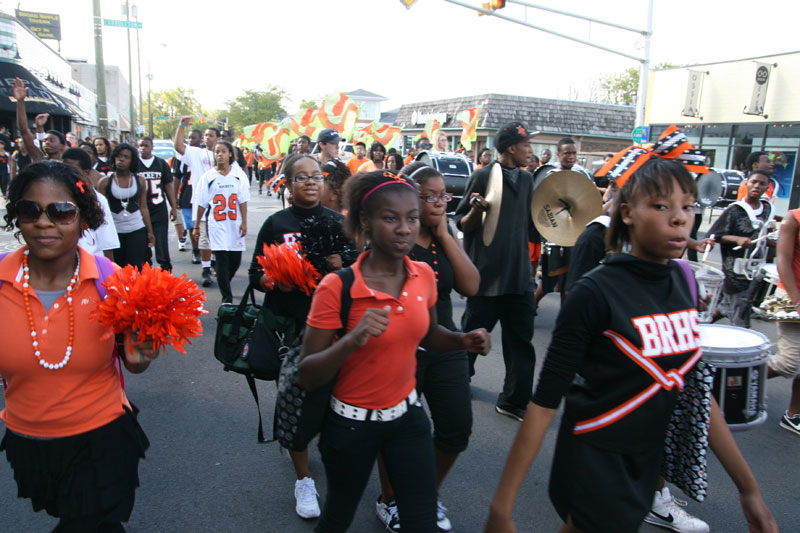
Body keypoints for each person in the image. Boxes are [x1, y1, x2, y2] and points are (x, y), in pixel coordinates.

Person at [486, 156, 777, 533]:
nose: (680, 218)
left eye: (687, 206)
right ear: (627, 213)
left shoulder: (682, 282)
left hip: (646, 463)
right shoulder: (594, 292)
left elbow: (695, 390)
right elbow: (544, 403)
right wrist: (502, 506)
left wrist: (749, 490)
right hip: (594, 459)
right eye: (661, 206)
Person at [296, 169, 490, 533]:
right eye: (390, 218)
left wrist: (462, 340)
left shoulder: (423, 274)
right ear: (365, 222)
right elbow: (306, 375)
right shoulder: (337, 287)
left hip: (407, 420)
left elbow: (429, 334)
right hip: (350, 426)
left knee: (421, 521)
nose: (404, 229)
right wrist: (351, 340)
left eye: (412, 218)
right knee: (337, 518)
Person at [0, 161, 158, 531]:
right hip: (29, 441)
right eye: (30, 210)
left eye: (61, 211)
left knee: (90, 522)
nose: (44, 222)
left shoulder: (111, 281)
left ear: (83, 219)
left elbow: (134, 362)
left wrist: (140, 356)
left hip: (102, 437)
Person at [374, 162, 480, 532]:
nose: (439, 202)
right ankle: (390, 499)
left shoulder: (444, 234)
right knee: (395, 428)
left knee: (456, 427)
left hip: (445, 343)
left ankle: (422, 494)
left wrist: (445, 234)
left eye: (443, 195)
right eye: (429, 196)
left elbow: (471, 285)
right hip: (399, 348)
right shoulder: (396, 236)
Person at [248, 154, 353, 521]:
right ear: (288, 185)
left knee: (333, 400)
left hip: (331, 327)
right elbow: (255, 273)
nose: (310, 182)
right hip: (288, 327)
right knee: (294, 401)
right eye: (301, 177)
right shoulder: (276, 223)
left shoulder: (337, 222)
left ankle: (322, 451)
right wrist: (271, 280)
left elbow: (360, 268)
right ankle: (303, 479)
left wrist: (343, 264)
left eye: (316, 176)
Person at [454, 122, 539, 422]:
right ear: (511, 148)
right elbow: (463, 224)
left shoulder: (527, 179)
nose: (531, 150)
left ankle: (514, 401)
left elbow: (532, 225)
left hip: (519, 278)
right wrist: (476, 209)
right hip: (486, 277)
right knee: (471, 338)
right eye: (526, 144)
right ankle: (457, 383)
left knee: (521, 345)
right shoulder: (482, 176)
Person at [707, 170, 774, 327]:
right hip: (735, 274)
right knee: (741, 317)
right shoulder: (734, 210)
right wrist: (736, 239)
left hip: (754, 270)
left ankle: (697, 327)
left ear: (767, 188)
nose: (757, 186)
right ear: (746, 184)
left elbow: (765, 236)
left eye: (762, 184)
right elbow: (714, 235)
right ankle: (743, 337)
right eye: (753, 182)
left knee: (726, 306)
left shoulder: (767, 209)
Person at [194, 141, 249, 304]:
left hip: (234, 223)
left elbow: (243, 200)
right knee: (222, 259)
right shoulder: (208, 176)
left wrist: (244, 222)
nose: (219, 154)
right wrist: (197, 226)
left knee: (235, 261)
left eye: (223, 151)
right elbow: (202, 203)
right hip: (216, 224)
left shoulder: (239, 175)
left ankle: (224, 281)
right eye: (217, 151)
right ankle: (227, 298)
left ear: (230, 154)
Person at [174, 117, 222, 287]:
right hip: (201, 203)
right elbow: (178, 146)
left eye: (211, 135)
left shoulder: (224, 155)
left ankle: (215, 261)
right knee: (203, 238)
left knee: (218, 237)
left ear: (218, 138)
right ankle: (206, 269)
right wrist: (181, 125)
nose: (207, 138)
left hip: (220, 205)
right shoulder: (196, 153)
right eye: (205, 135)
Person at [97, 143, 155, 268]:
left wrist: (150, 231)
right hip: (115, 230)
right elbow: (100, 210)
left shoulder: (140, 181)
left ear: (132, 161)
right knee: (117, 267)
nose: (121, 159)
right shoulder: (105, 182)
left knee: (136, 266)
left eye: (126, 157)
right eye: (119, 156)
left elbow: (143, 207)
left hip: (136, 228)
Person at [61, 147, 119, 260]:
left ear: (86, 172)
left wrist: (108, 268)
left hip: (90, 261)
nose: (66, 174)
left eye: (73, 171)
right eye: (64, 169)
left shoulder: (98, 200)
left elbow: (107, 240)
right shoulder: (53, 196)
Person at [773, 208, 800, 436]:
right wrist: (797, 301)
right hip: (792, 295)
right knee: (789, 363)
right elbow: (782, 259)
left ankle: (793, 415)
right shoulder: (794, 217)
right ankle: (730, 379)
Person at [138, 137, 177, 271]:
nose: (143, 148)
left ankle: (165, 269)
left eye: (146, 145)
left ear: (152, 147)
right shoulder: (135, 164)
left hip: (158, 208)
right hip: (140, 209)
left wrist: (173, 207)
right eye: (141, 145)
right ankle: (146, 270)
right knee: (143, 243)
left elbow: (168, 186)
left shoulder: (161, 164)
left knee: (161, 242)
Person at [172, 129, 203, 262]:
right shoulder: (180, 156)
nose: (191, 140)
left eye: (194, 138)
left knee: (205, 225)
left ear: (200, 139)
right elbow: (176, 177)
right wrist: (175, 197)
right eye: (189, 138)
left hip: (203, 194)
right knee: (191, 225)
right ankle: (196, 251)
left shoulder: (205, 154)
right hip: (187, 194)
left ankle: (208, 252)